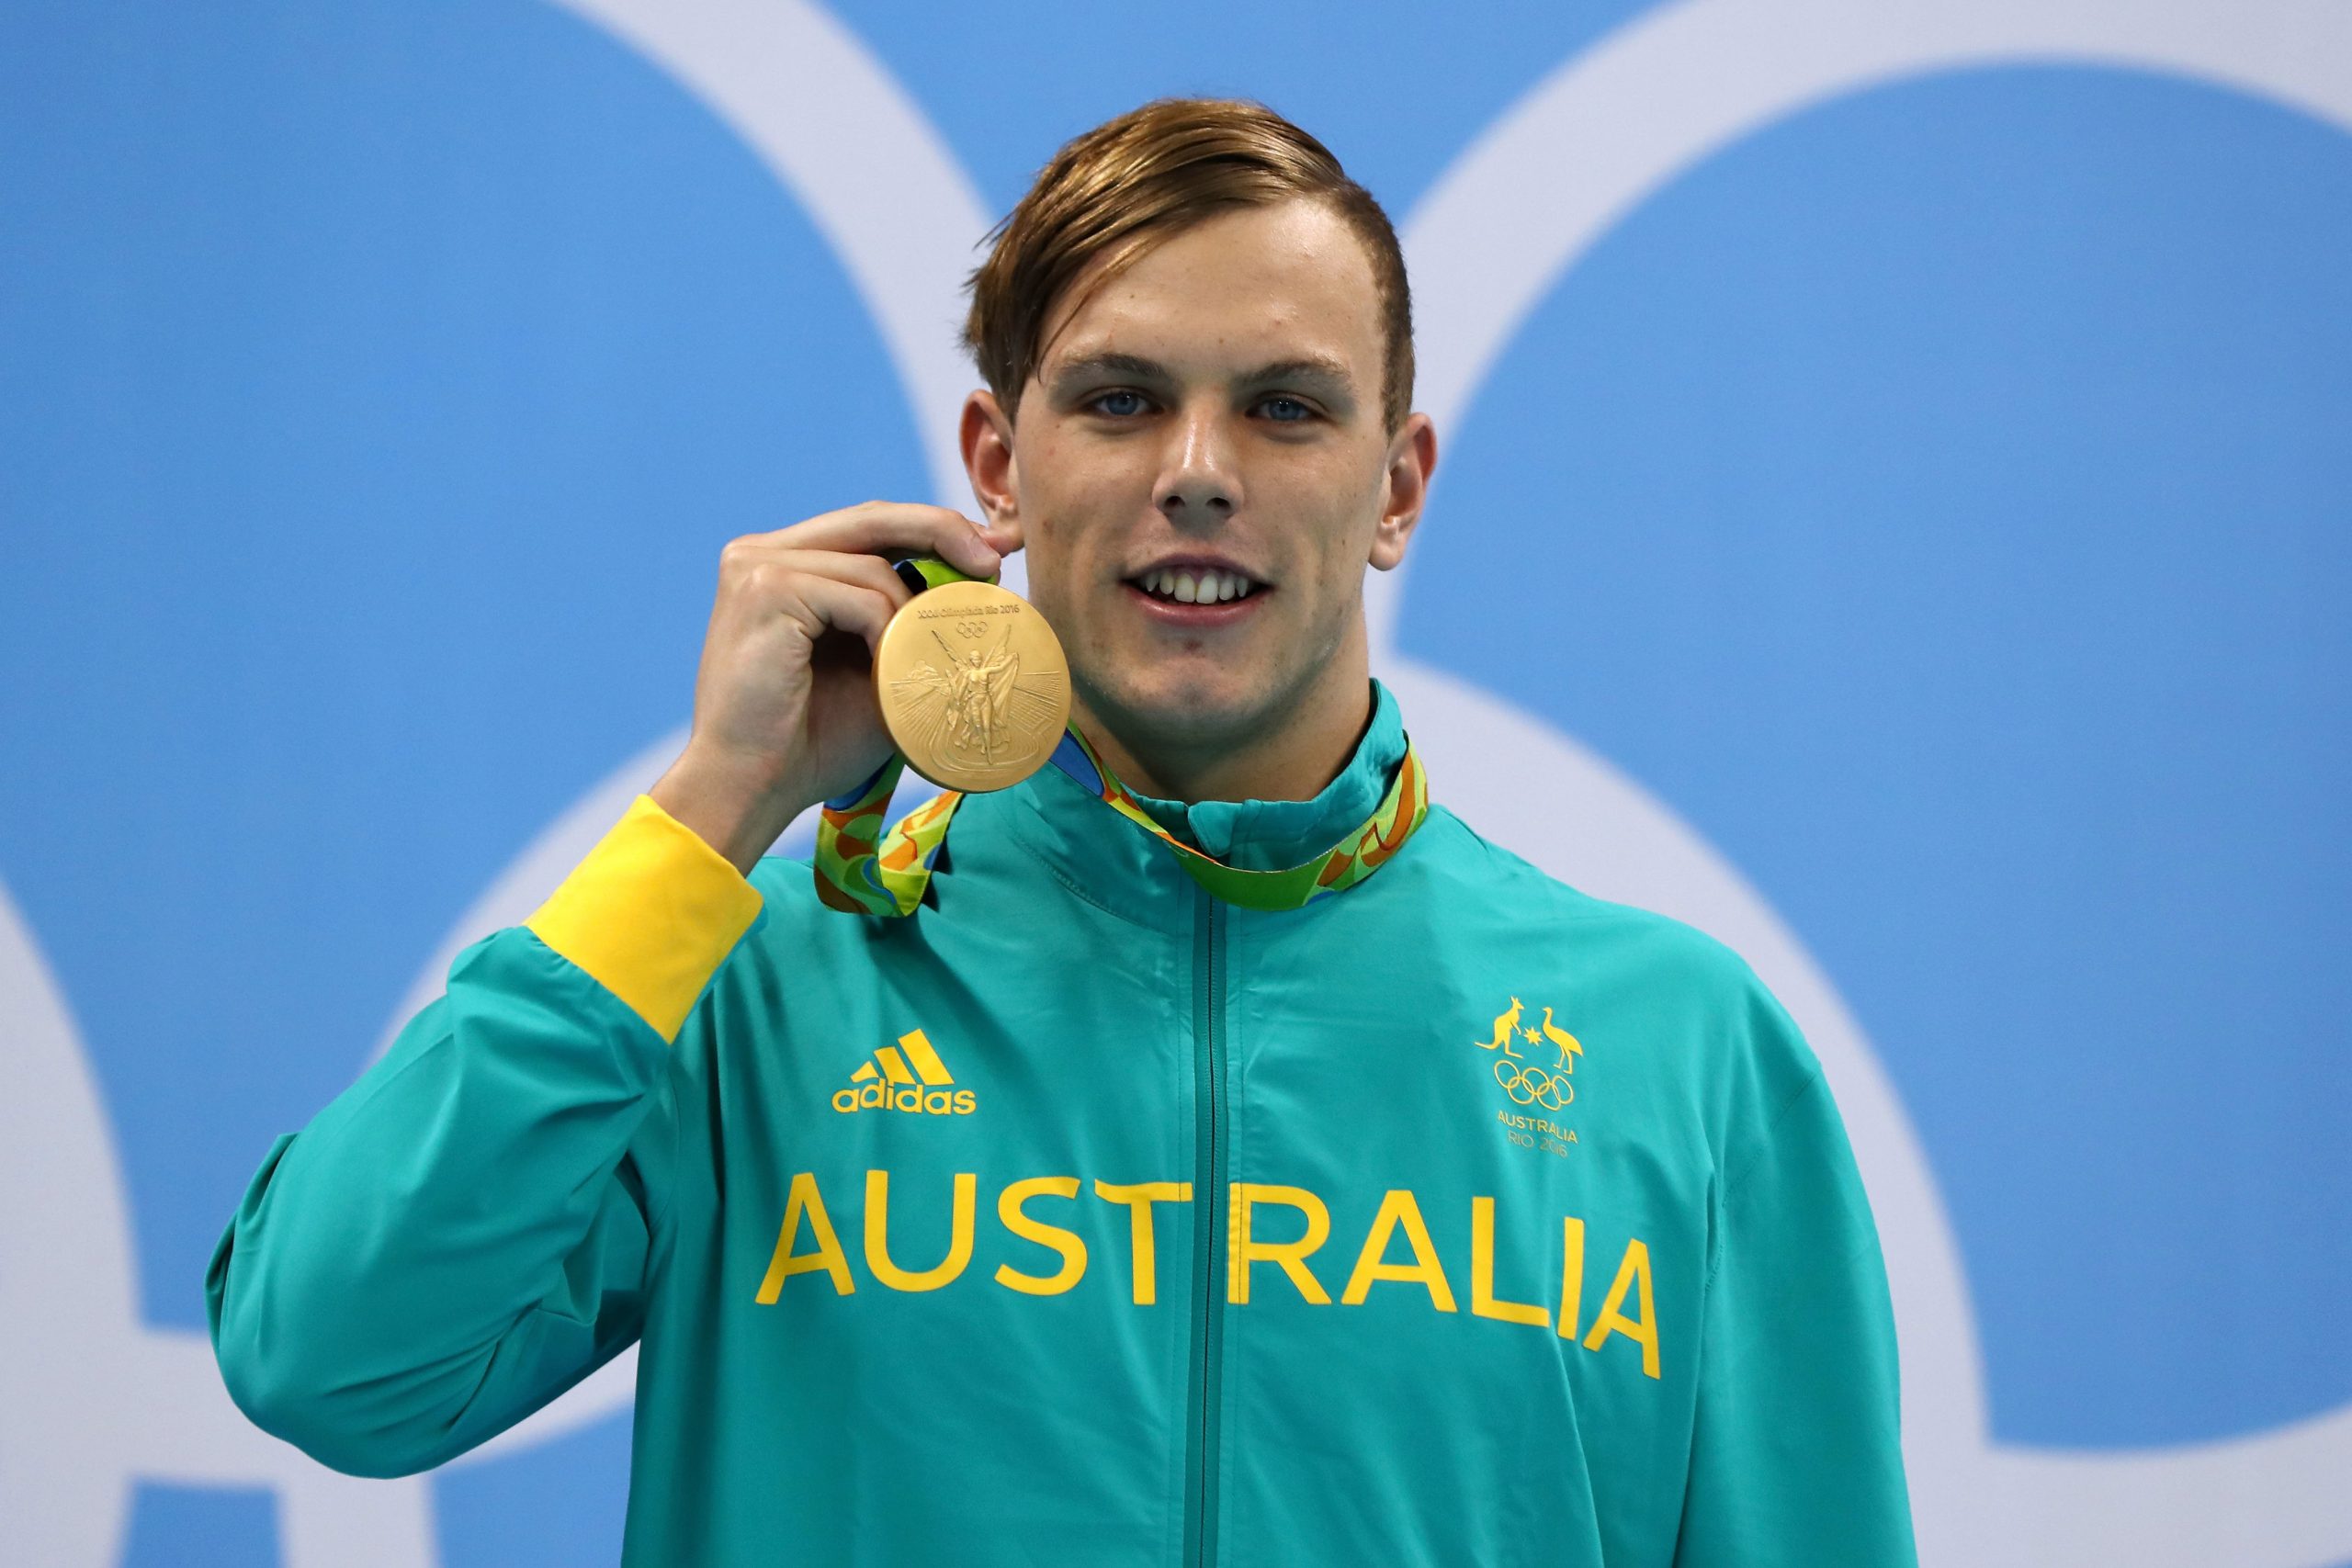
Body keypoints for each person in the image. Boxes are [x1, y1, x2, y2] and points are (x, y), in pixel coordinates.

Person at [208, 97, 1917, 1566]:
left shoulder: (1681, 1054)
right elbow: (330, 1358)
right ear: (995, 470)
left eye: (1286, 406)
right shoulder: (755, 988)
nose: (1195, 469)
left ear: (1397, 488)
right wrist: (714, 810)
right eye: (1115, 398)